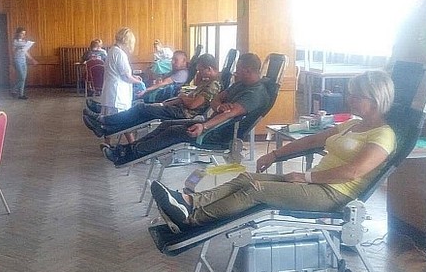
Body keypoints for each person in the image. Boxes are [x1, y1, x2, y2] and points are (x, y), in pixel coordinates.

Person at [150, 70, 397, 233]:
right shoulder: (353, 124)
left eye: (357, 96)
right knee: (246, 178)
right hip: (317, 184)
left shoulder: (383, 135)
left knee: (256, 190)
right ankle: (189, 202)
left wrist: (306, 177)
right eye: (351, 95)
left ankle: (192, 220)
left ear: (376, 99)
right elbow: (312, 140)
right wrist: (275, 154)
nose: (350, 100)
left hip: (334, 194)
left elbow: (353, 172)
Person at [102, 53, 274, 166]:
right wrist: (219, 105)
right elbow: (217, 99)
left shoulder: (256, 93)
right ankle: (126, 150)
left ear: (248, 70)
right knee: (166, 125)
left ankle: (126, 154)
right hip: (212, 124)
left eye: (238, 70)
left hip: (219, 134)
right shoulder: (240, 84)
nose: (235, 72)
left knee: (174, 131)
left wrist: (204, 126)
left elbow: (229, 114)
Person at [82, 54, 221, 137]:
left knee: (140, 109)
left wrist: (183, 97)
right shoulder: (206, 82)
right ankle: (105, 126)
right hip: (177, 108)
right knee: (140, 115)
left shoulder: (213, 85)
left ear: (209, 69)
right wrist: (170, 102)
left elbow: (192, 104)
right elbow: (186, 98)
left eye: (200, 71)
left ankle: (103, 121)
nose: (198, 73)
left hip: (183, 114)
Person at [12, 27, 37, 100]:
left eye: (24, 34)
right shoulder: (15, 41)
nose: (23, 35)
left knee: (23, 78)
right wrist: (18, 48)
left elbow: (26, 52)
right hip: (17, 60)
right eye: (22, 33)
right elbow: (13, 51)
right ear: (18, 33)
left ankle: (21, 95)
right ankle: (14, 89)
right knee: (22, 77)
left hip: (23, 61)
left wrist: (32, 59)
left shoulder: (24, 42)